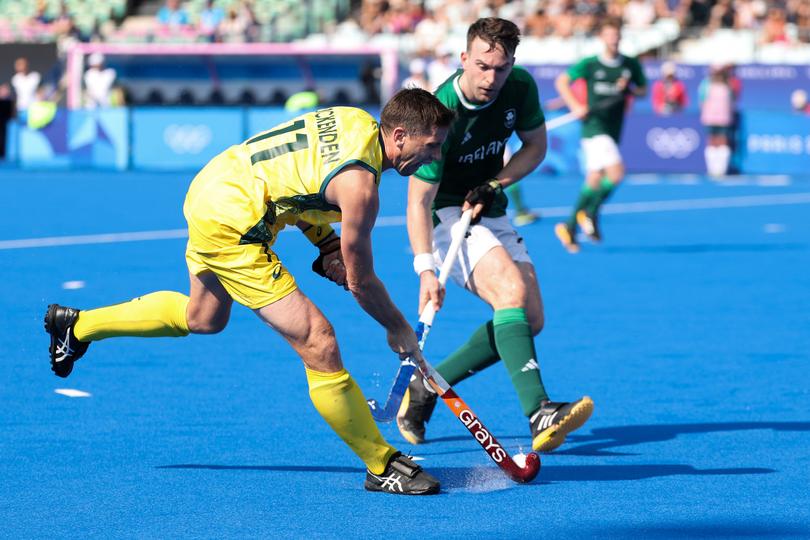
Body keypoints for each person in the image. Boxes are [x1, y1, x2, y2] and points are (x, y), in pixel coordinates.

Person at [44, 89, 454, 495]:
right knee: (318, 340)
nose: (434, 158)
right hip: (234, 223)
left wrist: (326, 245)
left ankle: (77, 326)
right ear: (399, 135)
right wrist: (398, 327)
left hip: (215, 184)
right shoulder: (361, 188)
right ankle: (381, 463)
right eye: (431, 146)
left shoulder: (354, 121)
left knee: (203, 318)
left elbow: (297, 178)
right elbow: (362, 281)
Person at [399, 17, 593, 454]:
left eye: (500, 69)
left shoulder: (520, 88)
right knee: (510, 292)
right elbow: (417, 201)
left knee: (530, 318)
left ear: (512, 65)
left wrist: (497, 183)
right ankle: (540, 411)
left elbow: (535, 147)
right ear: (463, 59)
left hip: (489, 205)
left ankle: (428, 385)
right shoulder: (440, 110)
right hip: (446, 212)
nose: (491, 78)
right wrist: (425, 269)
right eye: (482, 66)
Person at [553, 18, 647, 253]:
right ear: (602, 38)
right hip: (595, 127)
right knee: (616, 174)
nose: (613, 39)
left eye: (616, 35)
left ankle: (569, 226)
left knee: (594, 179)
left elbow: (643, 90)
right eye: (609, 35)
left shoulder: (630, 64)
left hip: (614, 127)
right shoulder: (591, 64)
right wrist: (575, 105)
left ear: (621, 37)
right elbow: (562, 81)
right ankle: (590, 212)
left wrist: (631, 89)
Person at [699, 64, 736, 178]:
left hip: (724, 119)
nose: (718, 74)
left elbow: (732, 100)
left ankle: (722, 169)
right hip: (710, 118)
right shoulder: (706, 84)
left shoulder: (729, 84)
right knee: (711, 141)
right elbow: (702, 99)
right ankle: (712, 169)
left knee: (723, 141)